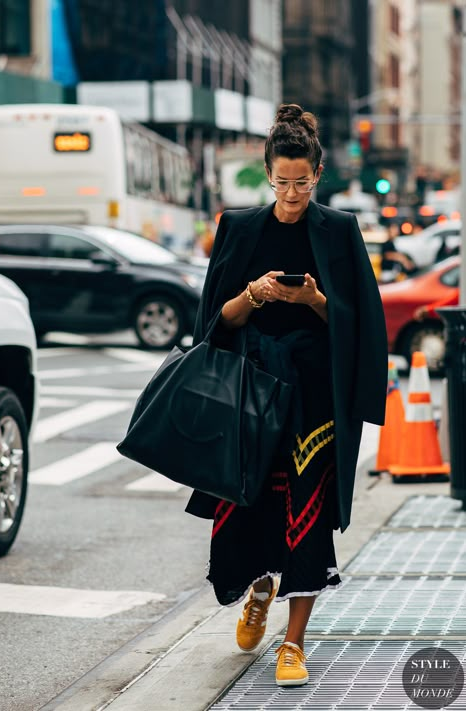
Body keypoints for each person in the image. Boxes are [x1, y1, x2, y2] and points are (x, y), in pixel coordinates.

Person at [185, 104, 388, 687]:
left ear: (318, 173)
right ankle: (258, 589)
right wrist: (253, 295)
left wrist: (313, 302)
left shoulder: (340, 231)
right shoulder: (239, 228)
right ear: (268, 172)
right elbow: (214, 322)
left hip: (315, 395)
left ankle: (293, 644)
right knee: (253, 505)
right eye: (282, 181)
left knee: (309, 512)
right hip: (252, 394)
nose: (292, 192)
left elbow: (362, 321)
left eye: (302, 181)